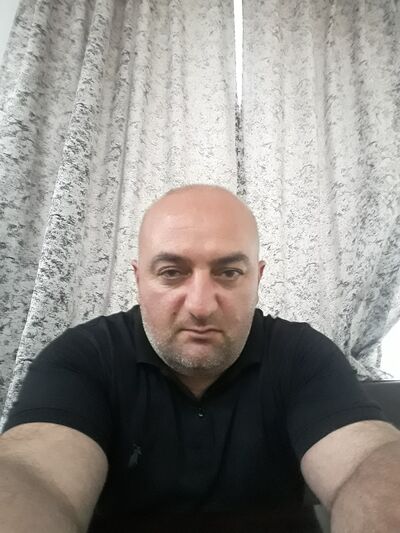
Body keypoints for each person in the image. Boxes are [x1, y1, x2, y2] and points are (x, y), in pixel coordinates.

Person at [0, 183, 399, 533]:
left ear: (257, 278)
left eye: (229, 273)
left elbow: (366, 460)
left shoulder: (303, 356)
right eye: (172, 272)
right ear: (138, 279)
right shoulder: (84, 357)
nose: (201, 306)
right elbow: (35, 475)